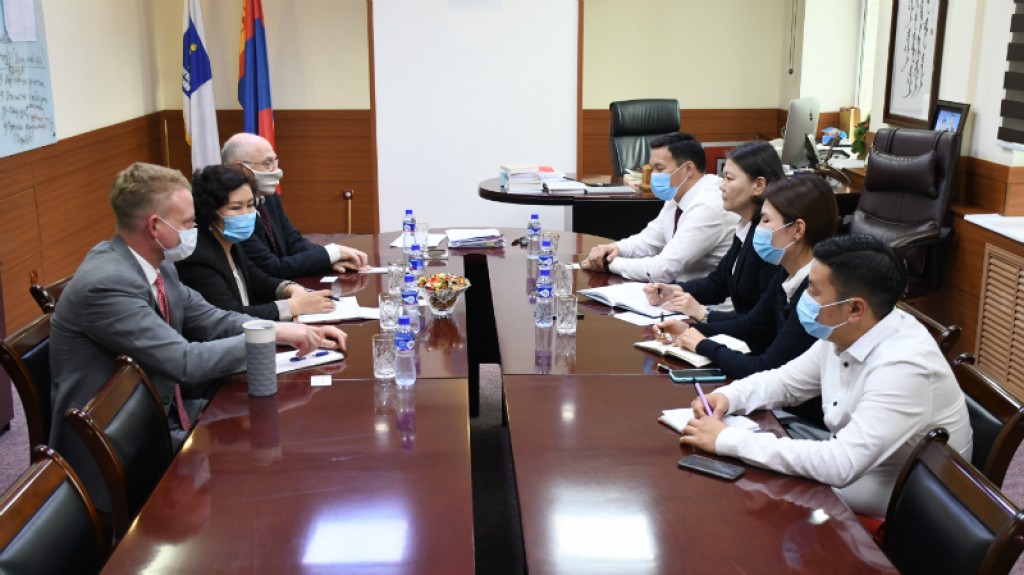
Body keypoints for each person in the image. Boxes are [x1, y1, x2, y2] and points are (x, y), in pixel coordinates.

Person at [49, 162, 347, 510]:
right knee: (261, 479)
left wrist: (288, 329)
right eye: (189, 223)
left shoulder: (157, 263)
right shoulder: (107, 284)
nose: (196, 230)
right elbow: (184, 361)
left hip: (158, 414)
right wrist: (270, 335)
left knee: (276, 438)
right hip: (116, 449)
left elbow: (210, 318)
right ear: (155, 227)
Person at [679, 234, 972, 519]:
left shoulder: (904, 367)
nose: (804, 299)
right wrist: (729, 396)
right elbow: (785, 382)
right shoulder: (847, 330)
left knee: (736, 505)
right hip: (846, 479)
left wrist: (729, 440)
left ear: (855, 308)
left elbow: (841, 463)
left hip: (898, 511)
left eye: (814, 291)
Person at [656, 175, 838, 383]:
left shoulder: (816, 293)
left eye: (766, 220)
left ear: (797, 230)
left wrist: (703, 344)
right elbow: (751, 326)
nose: (758, 228)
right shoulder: (787, 272)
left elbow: (766, 368)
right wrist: (690, 330)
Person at [644, 141, 784, 321]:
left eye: (729, 179)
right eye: (723, 177)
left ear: (758, 185)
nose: (721, 186)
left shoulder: (768, 240)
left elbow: (762, 323)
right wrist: (674, 291)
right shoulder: (745, 227)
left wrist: (703, 315)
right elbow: (718, 283)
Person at [176, 164, 335, 320]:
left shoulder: (232, 243)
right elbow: (231, 315)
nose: (246, 214)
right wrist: (294, 306)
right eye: (236, 208)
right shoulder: (198, 255)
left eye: (250, 205)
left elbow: (260, 281)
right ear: (210, 212)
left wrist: (291, 289)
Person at [581, 132, 738, 282]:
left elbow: (664, 269)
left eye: (660, 168)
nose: (653, 175)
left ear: (688, 169)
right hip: (678, 291)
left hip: (703, 298)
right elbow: (649, 240)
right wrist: (615, 248)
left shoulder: (708, 206)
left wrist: (608, 264)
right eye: (652, 168)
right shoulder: (677, 194)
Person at [221, 132, 370, 278]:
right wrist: (331, 253)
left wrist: (328, 260)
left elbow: (293, 241)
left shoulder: (269, 197)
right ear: (240, 169)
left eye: (275, 162)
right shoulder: (233, 214)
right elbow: (272, 268)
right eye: (267, 164)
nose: (277, 171)